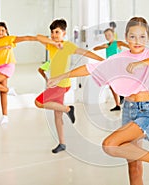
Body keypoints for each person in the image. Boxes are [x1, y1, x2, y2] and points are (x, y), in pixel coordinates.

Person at [48, 17, 149, 184]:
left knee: (110, 145)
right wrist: (62, 76)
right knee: (133, 164)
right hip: (129, 110)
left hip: (147, 111)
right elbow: (90, 68)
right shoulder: (119, 58)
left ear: (148, 37)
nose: (137, 41)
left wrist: (141, 63)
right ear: (125, 37)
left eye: (142, 37)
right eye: (132, 36)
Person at [35, 19, 104, 154]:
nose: (54, 34)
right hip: (56, 83)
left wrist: (101, 60)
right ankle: (62, 143)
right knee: (57, 115)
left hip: (61, 84)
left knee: (38, 102)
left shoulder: (68, 46)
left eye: (57, 32)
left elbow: (84, 52)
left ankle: (68, 109)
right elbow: (38, 37)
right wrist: (53, 42)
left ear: (64, 33)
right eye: (52, 32)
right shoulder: (51, 45)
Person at [0, 22, 38, 125]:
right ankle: (5, 116)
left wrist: (38, 38)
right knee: (2, 92)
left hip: (8, 66)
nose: (0, 32)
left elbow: (26, 38)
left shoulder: (10, 39)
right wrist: (4, 47)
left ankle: (9, 90)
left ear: (6, 31)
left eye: (2, 30)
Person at [93, 28, 129, 111]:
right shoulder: (107, 45)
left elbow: (127, 46)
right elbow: (95, 49)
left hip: (118, 67)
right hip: (110, 68)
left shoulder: (117, 43)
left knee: (117, 84)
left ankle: (122, 96)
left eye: (109, 35)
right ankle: (117, 105)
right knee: (111, 86)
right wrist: (103, 46)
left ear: (113, 35)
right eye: (106, 35)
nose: (107, 37)